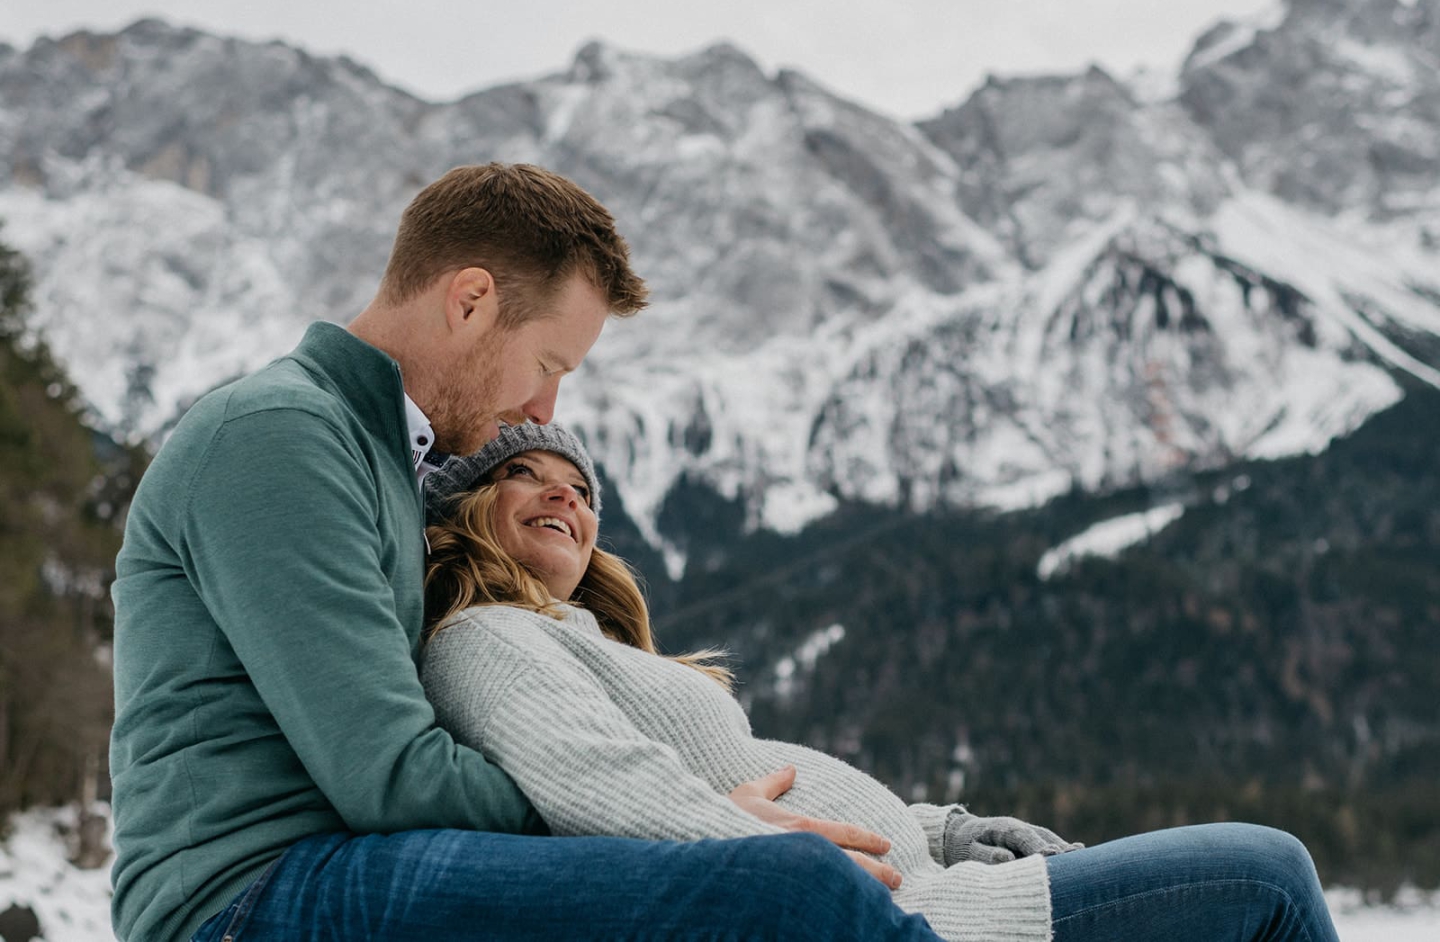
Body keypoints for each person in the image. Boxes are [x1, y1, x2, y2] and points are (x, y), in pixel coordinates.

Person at [109, 163, 942, 942]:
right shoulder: (280, 434)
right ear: (470, 300)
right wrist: (683, 814)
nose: (542, 406)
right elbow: (390, 775)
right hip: (245, 892)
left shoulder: (384, 461)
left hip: (338, 861)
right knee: (790, 891)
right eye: (547, 364)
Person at [420, 421, 1344, 942]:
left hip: (934, 881)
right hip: (909, 916)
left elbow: (751, 770)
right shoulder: (485, 638)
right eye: (522, 474)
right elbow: (607, 787)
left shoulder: (579, 639)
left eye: (581, 491)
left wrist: (947, 826)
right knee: (1270, 874)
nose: (565, 497)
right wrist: (762, 846)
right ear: (465, 509)